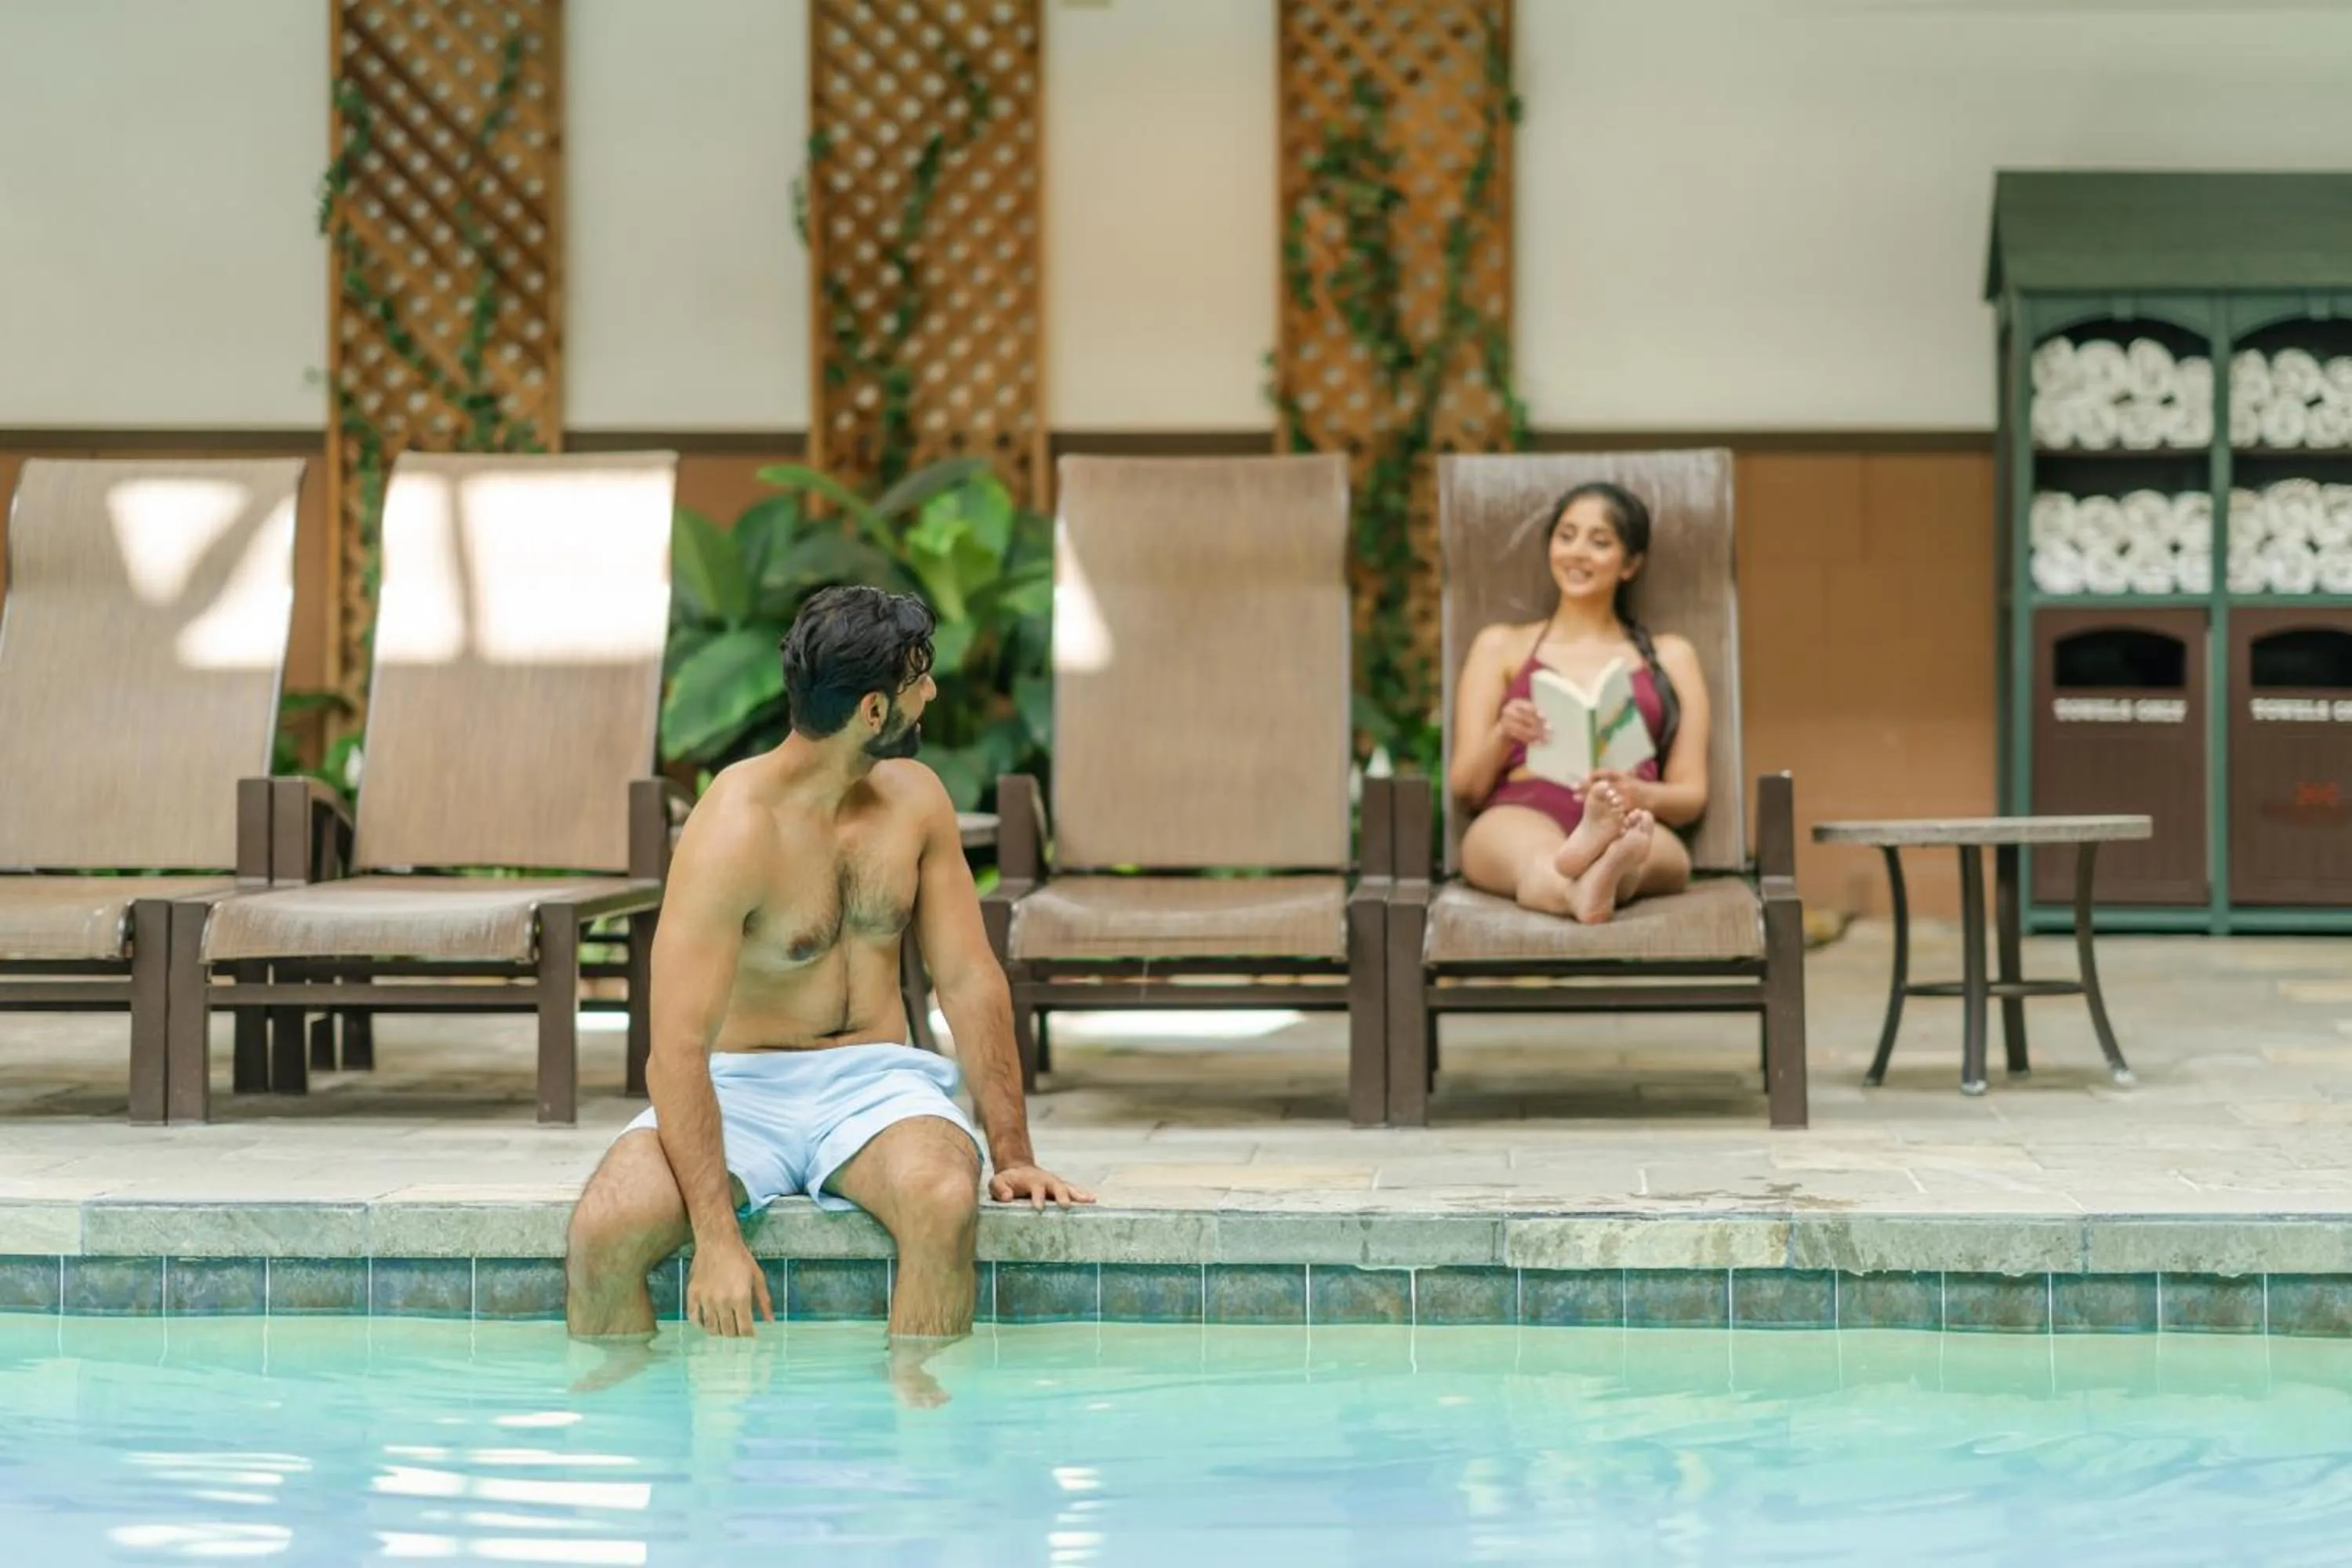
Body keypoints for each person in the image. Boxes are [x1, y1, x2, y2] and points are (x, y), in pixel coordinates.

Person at [564, 583, 1092, 1386]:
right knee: (604, 1230)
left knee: (944, 1202)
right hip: (743, 1087)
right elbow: (675, 1048)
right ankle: (645, 1438)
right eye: (921, 678)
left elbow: (968, 977)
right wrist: (715, 1237)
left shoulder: (917, 803)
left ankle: (916, 1443)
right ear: (874, 711)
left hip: (878, 1083)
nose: (934, 692)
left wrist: (1012, 1150)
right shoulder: (734, 826)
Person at [1445, 481, 1712, 924]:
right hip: (1524, 807)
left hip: (1631, 812)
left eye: (1600, 541)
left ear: (1630, 565)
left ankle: (1606, 865)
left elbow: (1692, 794)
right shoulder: (1501, 646)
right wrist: (1502, 734)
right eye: (1566, 536)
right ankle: (1589, 878)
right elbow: (1466, 787)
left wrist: (1637, 793)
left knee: (1645, 853)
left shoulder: (1672, 656)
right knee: (1536, 857)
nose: (1577, 552)